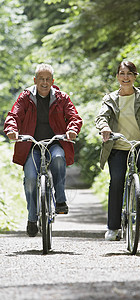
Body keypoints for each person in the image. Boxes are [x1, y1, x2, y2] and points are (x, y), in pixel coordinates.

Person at [4, 63, 83, 237]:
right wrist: (11, 129)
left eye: (48, 79)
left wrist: (72, 130)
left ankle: (60, 199)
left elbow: (74, 117)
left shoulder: (62, 98)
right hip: (31, 144)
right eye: (41, 79)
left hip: (55, 143)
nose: (45, 82)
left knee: (58, 158)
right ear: (35, 80)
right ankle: (32, 218)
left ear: (53, 81)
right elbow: (14, 115)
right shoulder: (26, 97)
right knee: (31, 179)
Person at [95, 61, 140, 241]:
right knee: (117, 181)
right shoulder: (110, 99)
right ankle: (113, 228)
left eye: (129, 74)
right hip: (118, 146)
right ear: (118, 76)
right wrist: (104, 127)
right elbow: (102, 117)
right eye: (122, 73)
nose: (125, 77)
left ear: (135, 76)